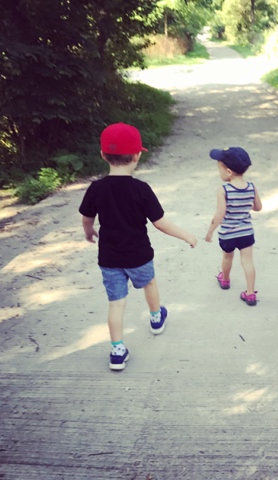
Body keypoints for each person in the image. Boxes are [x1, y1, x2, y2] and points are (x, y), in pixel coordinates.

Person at [79, 123, 197, 371]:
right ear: (136, 156)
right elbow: (160, 223)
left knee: (116, 303)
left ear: (103, 155)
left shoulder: (96, 188)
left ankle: (117, 351)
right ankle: (156, 318)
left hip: (109, 258)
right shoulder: (141, 189)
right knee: (149, 283)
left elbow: (87, 218)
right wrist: (186, 235)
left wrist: (89, 232)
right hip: (139, 255)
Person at [205, 147, 262, 306]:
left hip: (228, 234)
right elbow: (258, 207)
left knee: (227, 257)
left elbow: (220, 214)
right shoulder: (251, 187)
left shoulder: (223, 190)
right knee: (248, 261)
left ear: (229, 172)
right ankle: (250, 293)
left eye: (219, 169)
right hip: (246, 233)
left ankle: (225, 279)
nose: (219, 172)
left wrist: (210, 232)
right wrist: (245, 205)